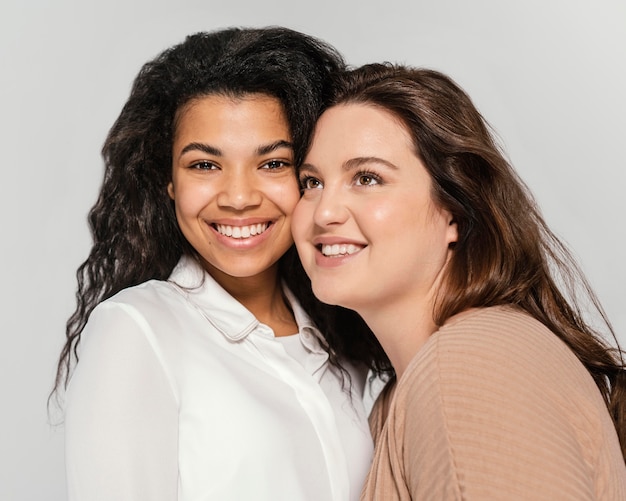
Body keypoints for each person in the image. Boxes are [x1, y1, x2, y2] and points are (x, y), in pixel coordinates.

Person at [52, 27, 380, 501]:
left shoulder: (343, 336)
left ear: (310, 177)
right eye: (205, 165)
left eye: (273, 163)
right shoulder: (138, 332)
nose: (240, 198)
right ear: (169, 183)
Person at [292, 62, 626, 500]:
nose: (324, 212)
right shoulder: (409, 391)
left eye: (367, 178)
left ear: (455, 212)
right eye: (311, 182)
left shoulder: (465, 367)